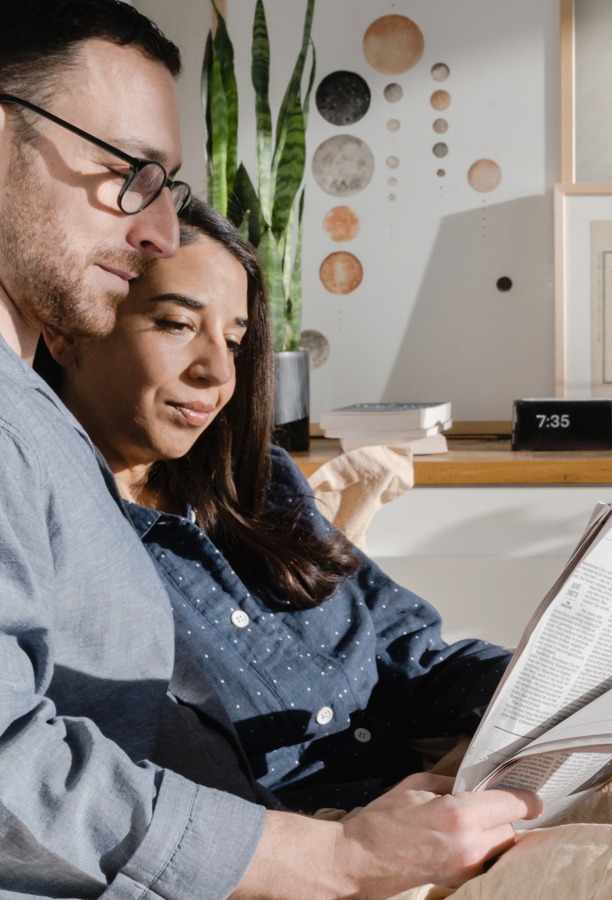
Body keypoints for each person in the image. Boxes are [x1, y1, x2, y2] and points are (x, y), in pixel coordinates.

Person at [0, 2, 536, 897]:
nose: (158, 232)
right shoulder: (37, 445)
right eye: (125, 172)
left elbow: (414, 653)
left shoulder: (221, 477)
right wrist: (338, 858)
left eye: (164, 186)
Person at [37, 194, 513, 814]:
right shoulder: (56, 535)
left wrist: (561, 680)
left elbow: (413, 656)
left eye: (233, 340)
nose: (216, 371)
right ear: (67, 331)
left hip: (425, 805)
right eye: (178, 325)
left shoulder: (259, 483)